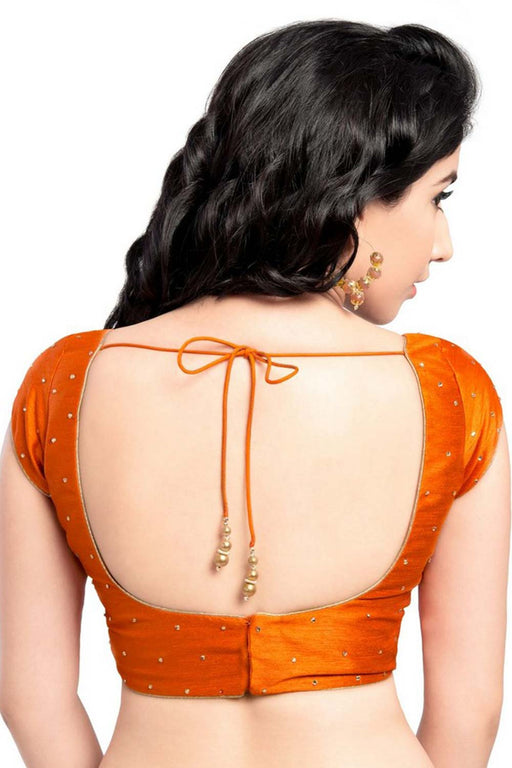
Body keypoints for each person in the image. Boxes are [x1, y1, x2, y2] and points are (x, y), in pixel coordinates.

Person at [0, 18, 509, 768]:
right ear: (357, 193)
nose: (443, 245)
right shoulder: (447, 391)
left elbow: (30, 696)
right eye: (439, 197)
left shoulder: (65, 384)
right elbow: (470, 711)